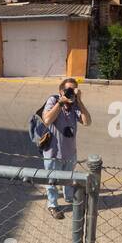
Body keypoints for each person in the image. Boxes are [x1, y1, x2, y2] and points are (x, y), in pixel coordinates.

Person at [41, 77, 91, 219]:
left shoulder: (75, 105)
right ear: (60, 91)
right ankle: (53, 205)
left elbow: (87, 122)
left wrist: (79, 101)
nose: (70, 93)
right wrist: (60, 102)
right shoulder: (53, 100)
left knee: (68, 178)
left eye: (73, 90)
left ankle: (69, 198)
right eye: (67, 90)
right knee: (52, 181)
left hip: (70, 153)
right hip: (53, 153)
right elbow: (47, 120)